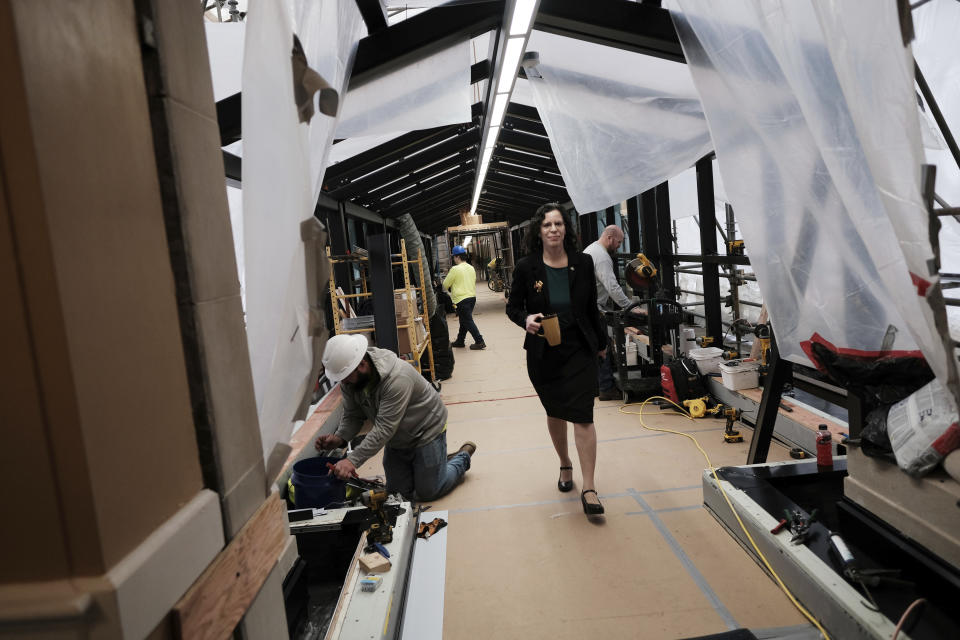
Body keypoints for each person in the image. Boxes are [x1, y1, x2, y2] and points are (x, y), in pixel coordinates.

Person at [506, 203, 607, 516]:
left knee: (583, 414)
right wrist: (526, 320)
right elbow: (513, 307)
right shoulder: (527, 267)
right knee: (555, 409)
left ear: (566, 229)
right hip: (544, 350)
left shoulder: (584, 262)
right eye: (547, 225)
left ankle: (588, 487)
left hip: (579, 348)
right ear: (539, 231)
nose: (553, 229)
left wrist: (602, 343)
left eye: (558, 224)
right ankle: (565, 464)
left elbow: (591, 307)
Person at [315, 334, 476, 501]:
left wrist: (352, 461)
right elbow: (353, 415)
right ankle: (436, 465)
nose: (344, 383)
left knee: (429, 491)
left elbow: (384, 428)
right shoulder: (350, 380)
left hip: (427, 429)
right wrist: (339, 438)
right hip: (397, 436)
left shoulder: (397, 378)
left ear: (361, 365)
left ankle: (461, 458)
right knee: (398, 495)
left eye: (346, 377)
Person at [583, 225, 644, 401]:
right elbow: (612, 286)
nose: (619, 246)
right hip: (593, 309)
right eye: (619, 242)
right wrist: (629, 306)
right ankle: (606, 388)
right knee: (603, 347)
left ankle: (598, 384)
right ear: (610, 237)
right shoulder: (602, 257)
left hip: (589, 306)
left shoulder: (592, 249)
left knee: (597, 346)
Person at [444, 245, 486, 350]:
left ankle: (479, 341)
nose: (453, 259)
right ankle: (460, 340)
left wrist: (451, 285)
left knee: (467, 320)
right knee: (464, 320)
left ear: (457, 257)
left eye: (454, 257)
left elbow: (445, 284)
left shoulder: (455, 269)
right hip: (472, 297)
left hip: (461, 299)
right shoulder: (471, 268)